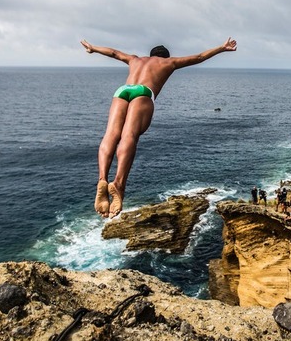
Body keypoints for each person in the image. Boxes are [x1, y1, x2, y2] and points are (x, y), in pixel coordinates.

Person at [81, 37, 237, 218]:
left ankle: (102, 179)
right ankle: (118, 184)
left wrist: (93, 48)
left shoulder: (134, 59)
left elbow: (114, 52)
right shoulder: (168, 62)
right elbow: (200, 57)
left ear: (150, 55)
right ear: (165, 57)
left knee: (110, 135)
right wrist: (221, 48)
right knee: (129, 136)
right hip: (143, 92)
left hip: (122, 91)